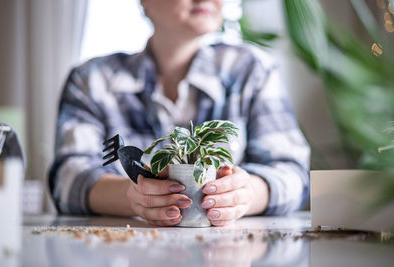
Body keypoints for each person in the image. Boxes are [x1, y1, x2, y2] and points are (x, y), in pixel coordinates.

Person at [49, 0, 310, 226]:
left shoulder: (251, 71)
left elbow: (293, 172)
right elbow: (67, 178)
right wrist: (135, 196)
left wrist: (245, 194)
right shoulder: (92, 80)